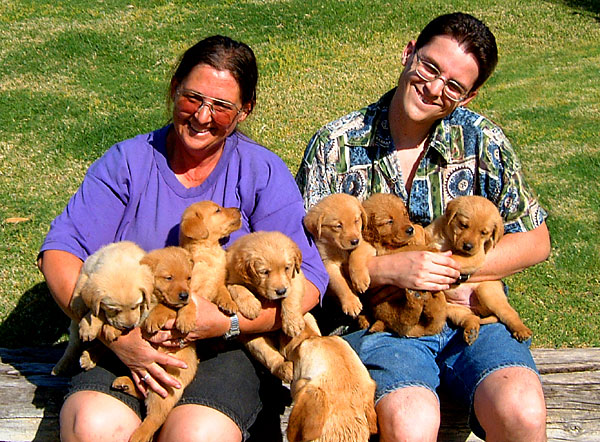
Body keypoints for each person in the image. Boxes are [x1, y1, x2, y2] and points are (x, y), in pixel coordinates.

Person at [38, 35, 328, 442]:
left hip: (228, 350)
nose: (203, 116)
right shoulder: (129, 162)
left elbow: (310, 279)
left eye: (222, 107)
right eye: (192, 98)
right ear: (174, 88)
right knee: (92, 422)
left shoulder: (262, 172)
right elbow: (59, 252)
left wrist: (227, 323)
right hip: (131, 337)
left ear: (245, 111)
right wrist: (117, 337)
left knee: (197, 433)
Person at [296, 12, 549, 442]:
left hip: (472, 315)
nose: (435, 88)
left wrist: (454, 270)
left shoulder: (484, 142)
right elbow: (305, 260)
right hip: (388, 324)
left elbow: (536, 240)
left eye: (454, 85)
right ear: (409, 52)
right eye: (430, 67)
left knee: (522, 410)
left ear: (468, 97)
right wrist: (388, 271)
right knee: (410, 421)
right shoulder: (336, 145)